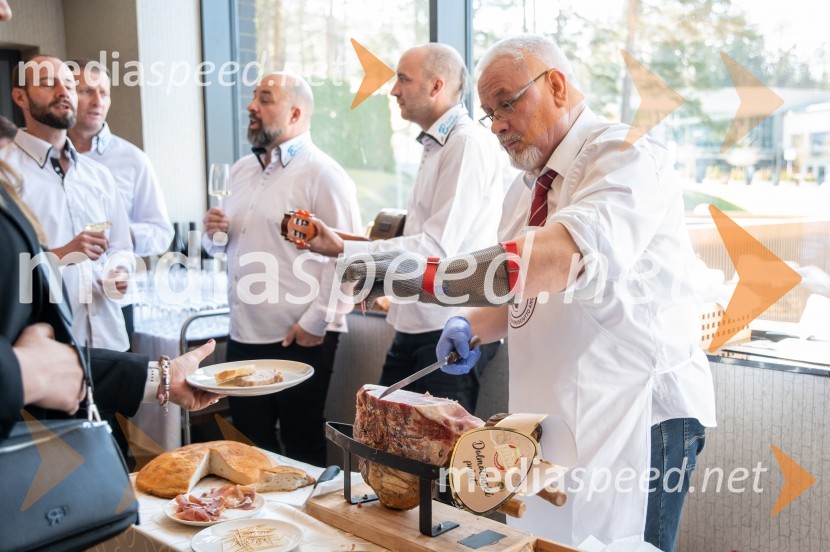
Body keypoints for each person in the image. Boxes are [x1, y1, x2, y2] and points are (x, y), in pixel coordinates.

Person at [328, 35, 716, 551]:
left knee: (622, 543)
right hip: (554, 413)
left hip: (639, 410)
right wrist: (472, 325)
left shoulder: (624, 156)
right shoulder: (526, 187)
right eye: (489, 113)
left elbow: (553, 258)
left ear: (556, 85)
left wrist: (413, 274)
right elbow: (512, 291)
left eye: (507, 102)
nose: (498, 125)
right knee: (547, 539)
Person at [305, 44, 504, 413]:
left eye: (402, 79)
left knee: (437, 460)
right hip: (414, 322)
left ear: (436, 86)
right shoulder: (437, 145)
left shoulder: (465, 144)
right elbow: (420, 238)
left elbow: (435, 248)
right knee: (383, 440)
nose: (393, 89)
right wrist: (341, 241)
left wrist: (345, 251)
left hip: (448, 328)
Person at [0, 158, 222, 440]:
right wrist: (26, 372)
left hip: (98, 356)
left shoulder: (99, 174)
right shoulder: (13, 168)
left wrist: (163, 378)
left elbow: (125, 249)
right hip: (27, 414)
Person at [202, 72, 361, 466]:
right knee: (247, 450)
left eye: (264, 98)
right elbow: (225, 247)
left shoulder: (323, 173)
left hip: (298, 337)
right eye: (253, 97)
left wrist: (317, 322)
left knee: (301, 446)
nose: (251, 106)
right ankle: (254, 530)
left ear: (294, 112)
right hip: (243, 334)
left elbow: (351, 257)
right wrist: (213, 235)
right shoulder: (239, 171)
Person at [1, 55, 133, 351]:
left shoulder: (98, 175)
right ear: (20, 97)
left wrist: (119, 271)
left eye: (71, 85)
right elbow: (6, 273)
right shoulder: (4, 175)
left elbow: (121, 247)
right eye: (48, 84)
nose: (64, 92)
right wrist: (62, 255)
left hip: (110, 343)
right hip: (47, 353)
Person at [67, 59, 174, 343]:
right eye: (86, 91)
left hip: (111, 301)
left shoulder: (133, 160)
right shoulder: (45, 160)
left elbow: (162, 233)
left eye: (104, 93)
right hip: (57, 302)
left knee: (117, 384)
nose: (97, 101)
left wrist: (120, 236)